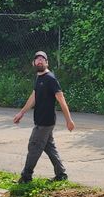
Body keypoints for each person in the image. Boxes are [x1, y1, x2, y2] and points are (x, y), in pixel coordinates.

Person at [13, 50, 75, 183]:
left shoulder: (50, 79)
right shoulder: (39, 78)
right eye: (37, 59)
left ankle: (26, 177)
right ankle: (61, 175)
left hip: (45, 122)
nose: (39, 61)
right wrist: (21, 112)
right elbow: (34, 96)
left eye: (42, 59)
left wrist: (69, 120)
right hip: (42, 120)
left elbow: (61, 99)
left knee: (34, 146)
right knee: (49, 147)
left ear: (47, 62)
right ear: (33, 63)